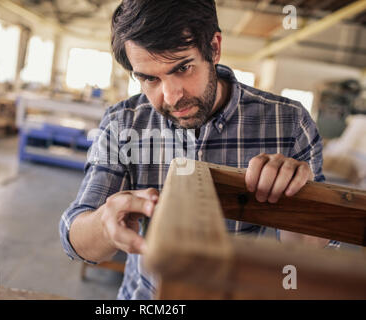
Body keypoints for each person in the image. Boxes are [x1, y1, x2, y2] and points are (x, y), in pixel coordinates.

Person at [59, 0, 338, 300]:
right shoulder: (122, 123)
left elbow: (309, 253)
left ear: (214, 48)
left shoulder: (289, 124)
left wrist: (298, 201)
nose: (171, 96)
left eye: (183, 68)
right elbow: (74, 237)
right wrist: (104, 225)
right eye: (149, 78)